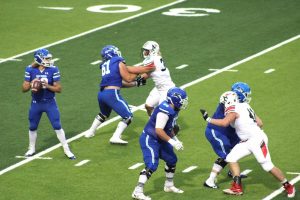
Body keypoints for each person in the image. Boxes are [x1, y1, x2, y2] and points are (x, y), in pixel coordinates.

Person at [199, 90, 296, 198]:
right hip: (247, 141)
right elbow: (260, 123)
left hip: (256, 140)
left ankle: (288, 186)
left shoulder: (233, 109)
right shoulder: (245, 105)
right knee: (231, 157)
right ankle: (237, 187)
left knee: (267, 166)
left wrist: (208, 119)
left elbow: (224, 123)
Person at [84, 45, 155, 144]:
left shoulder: (105, 64)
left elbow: (119, 83)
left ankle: (90, 132)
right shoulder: (117, 61)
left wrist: (136, 83)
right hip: (111, 94)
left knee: (104, 114)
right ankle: (115, 136)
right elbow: (128, 78)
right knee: (128, 116)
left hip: (102, 94)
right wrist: (141, 72)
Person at [132, 87, 188, 200]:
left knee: (172, 160)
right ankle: (137, 191)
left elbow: (169, 127)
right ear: (175, 100)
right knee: (152, 164)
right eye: (182, 99)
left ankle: (169, 185)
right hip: (150, 138)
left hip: (160, 139)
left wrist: (176, 139)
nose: (184, 102)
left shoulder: (173, 108)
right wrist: (172, 142)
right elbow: (159, 130)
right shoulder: (165, 110)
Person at [22, 48, 76, 159]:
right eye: (46, 58)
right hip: (36, 103)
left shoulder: (53, 69)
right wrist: (32, 84)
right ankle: (31, 148)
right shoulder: (30, 69)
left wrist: (47, 86)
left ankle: (67, 149)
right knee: (32, 126)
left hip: (50, 102)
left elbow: (59, 89)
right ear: (39, 59)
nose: (49, 60)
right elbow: (24, 88)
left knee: (57, 125)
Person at [203, 82, 250, 189]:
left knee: (238, 148)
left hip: (228, 130)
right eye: (246, 94)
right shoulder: (230, 99)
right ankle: (210, 180)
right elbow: (226, 121)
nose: (247, 96)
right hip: (217, 130)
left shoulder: (237, 101)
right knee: (228, 156)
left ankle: (232, 172)